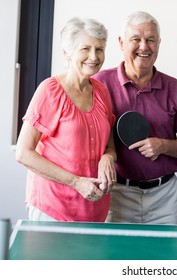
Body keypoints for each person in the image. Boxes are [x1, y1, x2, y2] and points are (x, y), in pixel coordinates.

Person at [93, 11, 177, 225]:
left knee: (166, 258)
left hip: (164, 198)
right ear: (121, 42)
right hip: (117, 194)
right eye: (136, 39)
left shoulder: (175, 88)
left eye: (151, 40)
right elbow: (87, 135)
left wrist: (162, 145)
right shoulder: (99, 83)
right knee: (117, 257)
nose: (144, 46)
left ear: (158, 43)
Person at [15, 18, 117, 222]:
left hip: (93, 207)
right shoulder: (50, 90)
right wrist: (76, 182)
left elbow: (110, 146)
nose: (93, 56)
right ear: (67, 53)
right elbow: (23, 153)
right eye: (85, 49)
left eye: (99, 49)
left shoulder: (101, 92)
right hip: (53, 207)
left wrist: (108, 158)